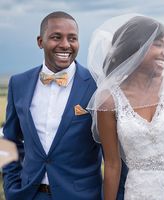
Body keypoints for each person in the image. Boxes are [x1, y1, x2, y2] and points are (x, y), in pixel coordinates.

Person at [87, 14, 164, 199]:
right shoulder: (108, 103)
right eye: (158, 44)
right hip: (140, 193)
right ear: (135, 47)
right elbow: (113, 165)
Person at [2, 11, 103, 200]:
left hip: (82, 196)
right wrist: (11, 187)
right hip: (29, 194)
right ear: (40, 42)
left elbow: (112, 154)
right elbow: (9, 141)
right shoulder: (19, 83)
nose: (65, 44)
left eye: (72, 38)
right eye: (56, 37)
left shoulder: (96, 86)